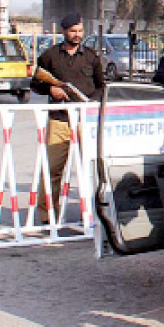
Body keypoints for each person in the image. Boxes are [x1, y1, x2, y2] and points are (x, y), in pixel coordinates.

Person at [30, 13, 105, 224]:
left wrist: (90, 103)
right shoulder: (50, 56)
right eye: (73, 31)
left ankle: (92, 214)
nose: (77, 35)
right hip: (59, 119)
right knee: (52, 169)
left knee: (89, 169)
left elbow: (101, 87)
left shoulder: (91, 57)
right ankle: (48, 215)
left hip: (85, 120)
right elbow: (35, 83)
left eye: (80, 31)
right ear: (64, 31)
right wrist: (51, 88)